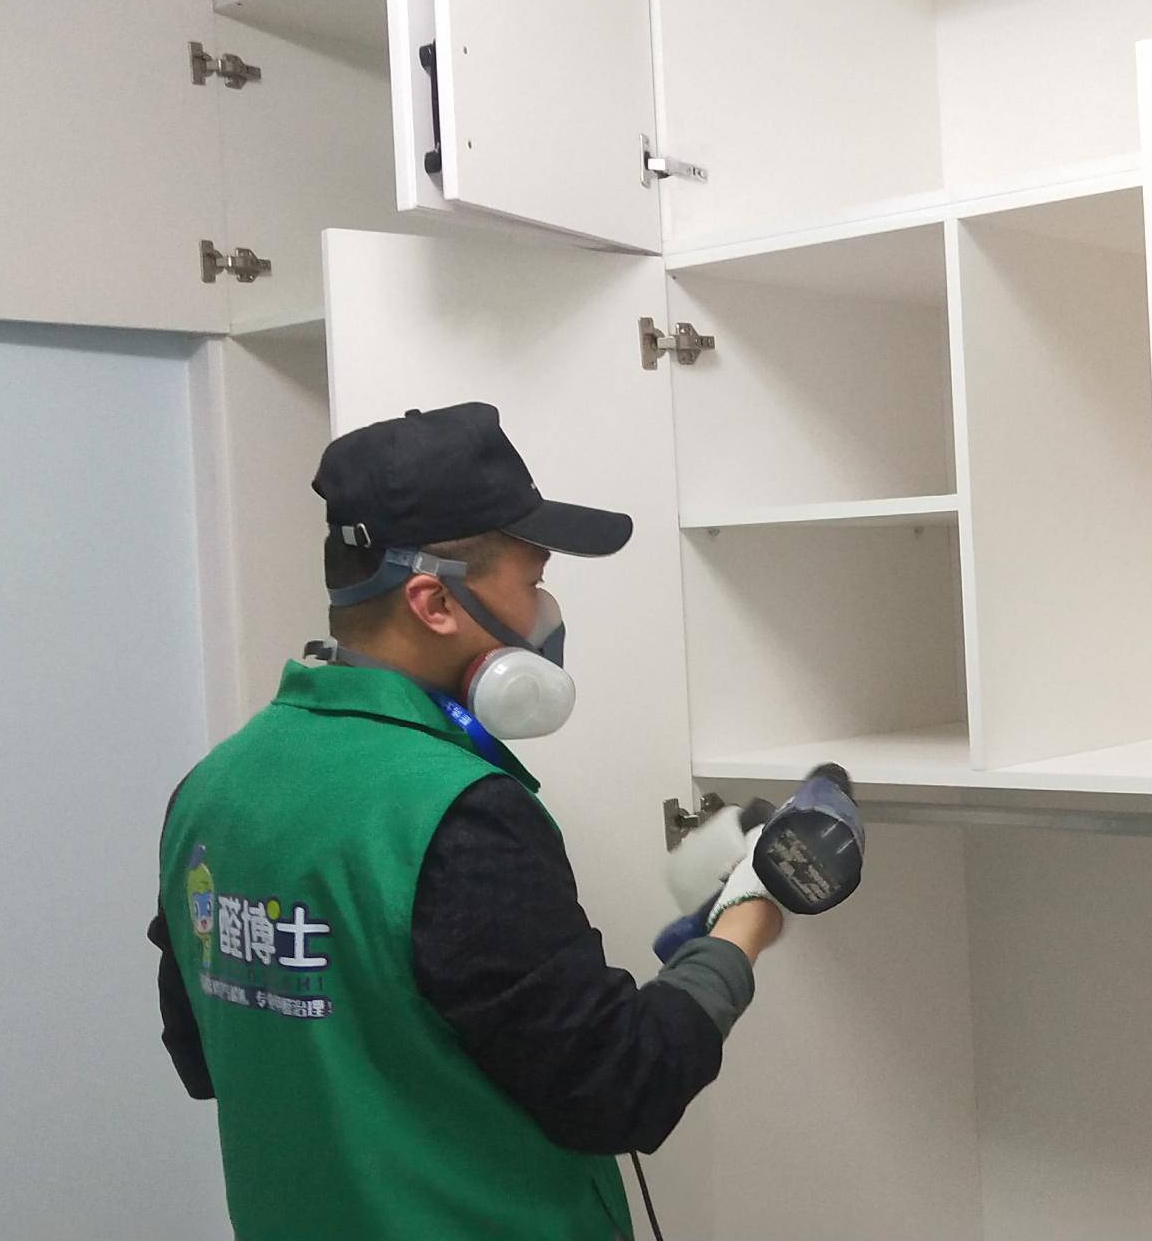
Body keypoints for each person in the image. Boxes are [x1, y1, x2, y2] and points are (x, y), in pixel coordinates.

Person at [147, 403, 785, 1239]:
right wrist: (745, 925)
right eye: (532, 580)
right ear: (433, 601)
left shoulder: (211, 789)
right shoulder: (461, 815)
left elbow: (203, 1056)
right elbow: (621, 1090)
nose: (545, 611)